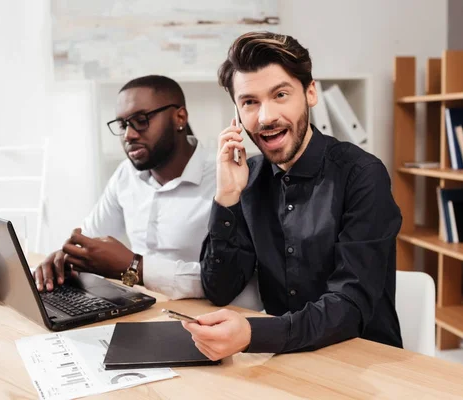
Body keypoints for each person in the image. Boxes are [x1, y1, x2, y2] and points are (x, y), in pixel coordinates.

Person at [182, 31, 403, 360]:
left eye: (280, 95)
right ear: (238, 115)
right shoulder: (249, 178)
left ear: (310, 93)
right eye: (250, 102)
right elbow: (219, 289)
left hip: (363, 361)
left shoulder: (362, 174)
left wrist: (254, 334)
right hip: (282, 360)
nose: (266, 117)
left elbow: (350, 305)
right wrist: (227, 195)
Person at [33, 75, 260, 306]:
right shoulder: (126, 175)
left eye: (141, 120)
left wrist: (134, 267)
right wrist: (63, 258)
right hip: (144, 309)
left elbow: (227, 279)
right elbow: (87, 240)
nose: (129, 135)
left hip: (213, 319)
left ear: (179, 117)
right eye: (122, 125)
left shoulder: (229, 177)